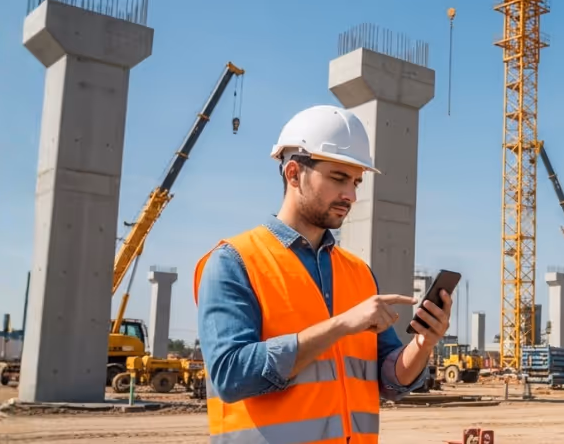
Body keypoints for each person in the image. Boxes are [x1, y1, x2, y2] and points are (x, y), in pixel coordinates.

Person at [194, 104, 453, 444]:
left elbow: (390, 381)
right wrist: (342, 324)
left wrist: (423, 343)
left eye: (356, 182)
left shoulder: (358, 272)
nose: (351, 195)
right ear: (292, 174)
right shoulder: (234, 262)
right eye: (338, 178)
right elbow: (231, 376)